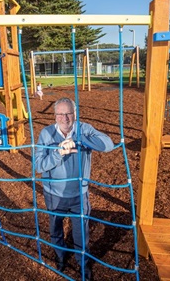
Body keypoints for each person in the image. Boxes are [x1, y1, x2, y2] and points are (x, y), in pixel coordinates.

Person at [35, 97, 114, 280]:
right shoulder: (46, 134)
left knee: (81, 233)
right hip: (54, 194)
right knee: (55, 228)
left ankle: (83, 264)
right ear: (55, 116)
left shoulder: (83, 129)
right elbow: (38, 166)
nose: (65, 118)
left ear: (75, 114)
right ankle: (60, 257)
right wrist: (58, 153)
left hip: (79, 194)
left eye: (69, 113)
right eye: (60, 114)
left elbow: (108, 145)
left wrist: (80, 138)